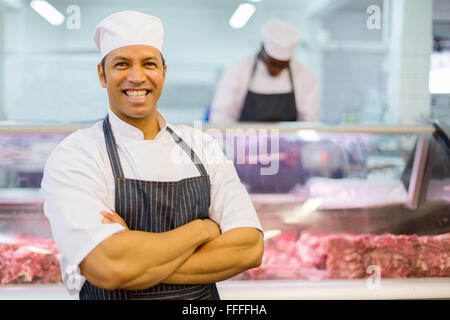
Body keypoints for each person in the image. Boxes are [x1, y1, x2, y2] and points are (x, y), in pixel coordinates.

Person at [41, 10, 263, 300]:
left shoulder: (202, 146)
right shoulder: (77, 154)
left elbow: (249, 248)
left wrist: (136, 264)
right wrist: (202, 230)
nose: (137, 77)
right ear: (102, 74)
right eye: (121, 64)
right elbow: (108, 265)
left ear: (163, 72)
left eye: (149, 64)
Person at [209, 18, 319, 123]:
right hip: (244, 141)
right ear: (262, 50)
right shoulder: (238, 71)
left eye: (283, 65)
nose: (276, 70)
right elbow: (221, 118)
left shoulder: (304, 74)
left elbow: (309, 120)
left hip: (289, 142)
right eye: (273, 63)